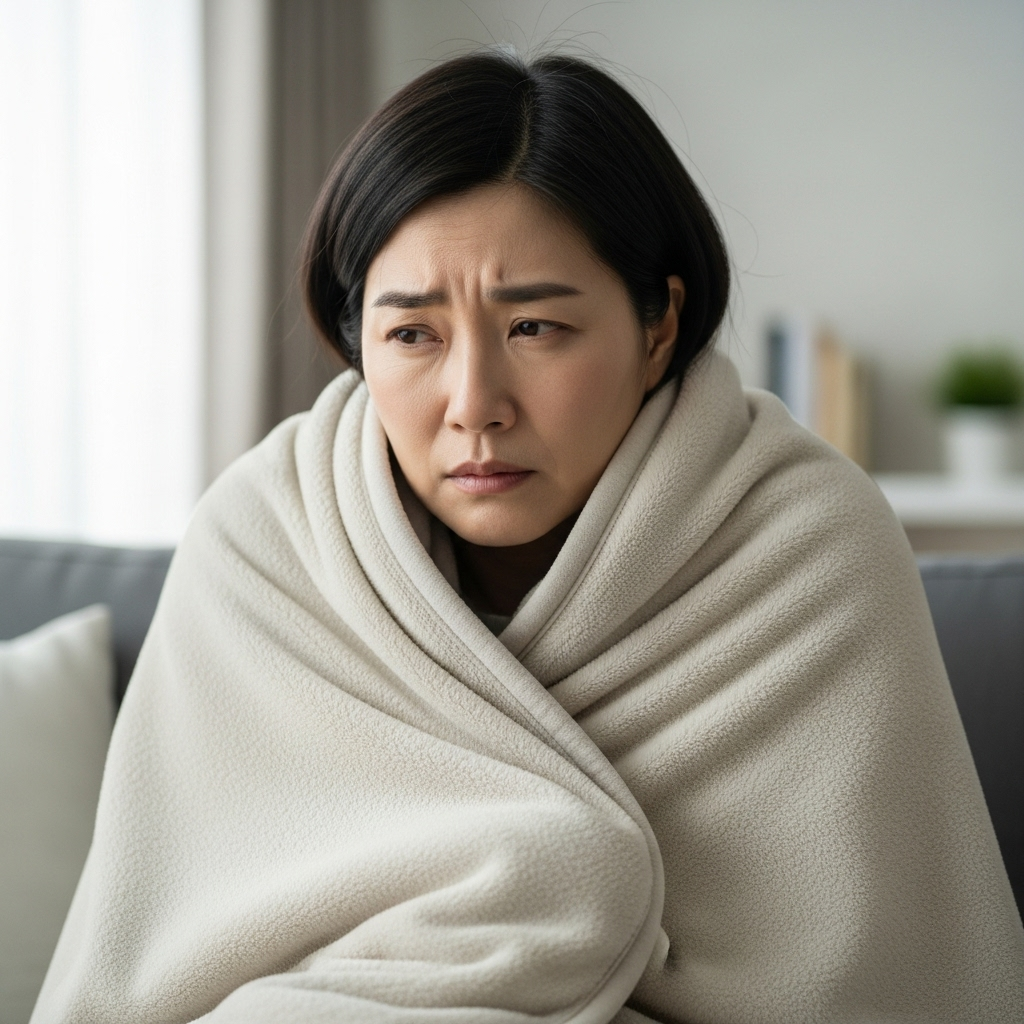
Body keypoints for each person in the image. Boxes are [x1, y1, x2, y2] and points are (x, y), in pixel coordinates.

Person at [32, 51, 1023, 1024]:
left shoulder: (809, 546)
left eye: (534, 329)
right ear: (358, 339)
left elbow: (887, 984)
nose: (474, 404)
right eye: (412, 335)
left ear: (658, 327)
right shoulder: (261, 543)